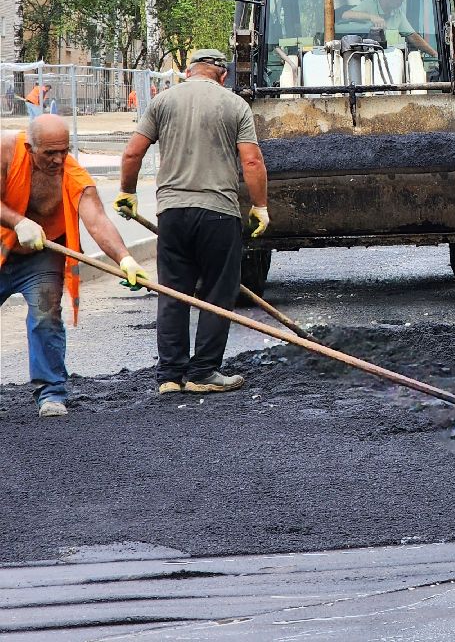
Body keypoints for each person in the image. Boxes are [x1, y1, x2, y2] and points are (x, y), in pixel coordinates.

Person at [116, 49, 270, 395]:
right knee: (218, 290)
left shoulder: (162, 102)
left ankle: (170, 375)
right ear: (223, 75)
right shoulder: (234, 105)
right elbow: (252, 162)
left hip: (171, 213)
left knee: (173, 291)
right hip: (218, 213)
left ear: (188, 72)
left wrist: (127, 192)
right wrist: (260, 206)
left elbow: (132, 152)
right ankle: (203, 371)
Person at [0, 114, 148, 417]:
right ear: (30, 147)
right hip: (2, 246)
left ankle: (51, 393)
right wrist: (18, 222)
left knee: (46, 315)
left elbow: (96, 219)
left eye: (64, 151)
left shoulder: (72, 175)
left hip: (40, 257)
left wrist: (125, 258)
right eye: (49, 153)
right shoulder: (5, 151)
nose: (58, 160)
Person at [340, 0, 439, 57]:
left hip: (390, 57)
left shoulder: (397, 12)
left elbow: (412, 35)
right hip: (363, 56)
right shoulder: (369, 5)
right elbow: (346, 15)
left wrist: (434, 54)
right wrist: (371, 17)